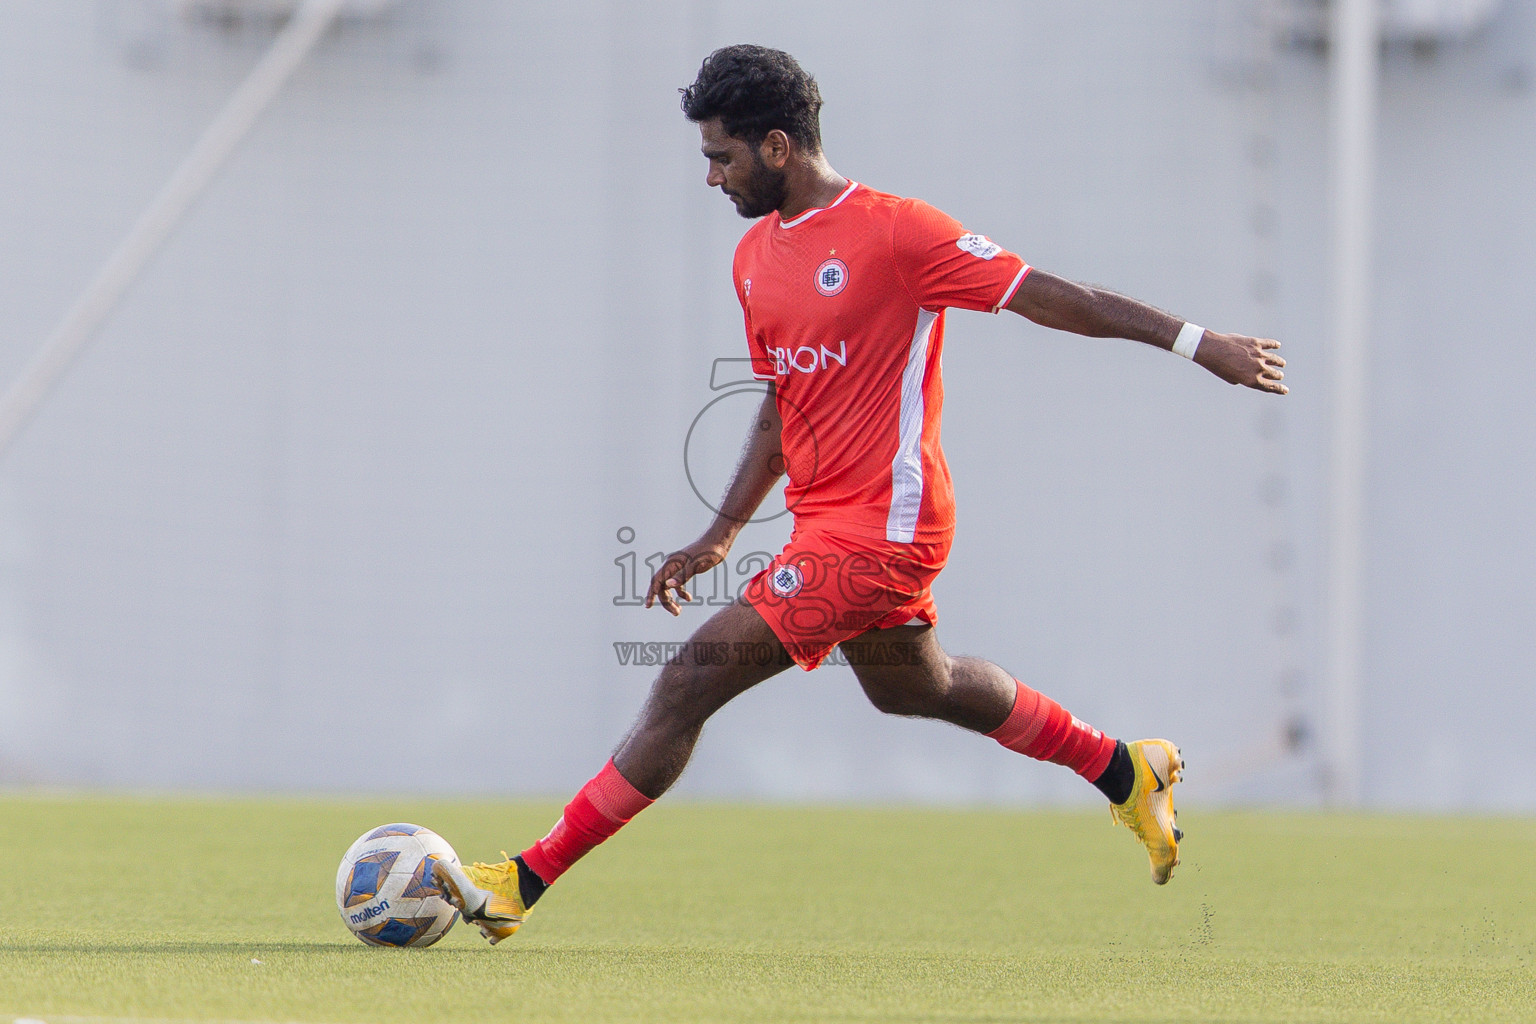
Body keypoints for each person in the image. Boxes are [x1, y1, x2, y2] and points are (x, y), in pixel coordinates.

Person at [433, 44, 1286, 944]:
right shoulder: (755, 256)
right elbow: (779, 399)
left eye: (721, 158)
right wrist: (722, 532)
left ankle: (521, 882)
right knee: (919, 687)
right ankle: (1125, 770)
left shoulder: (898, 232)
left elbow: (1047, 295)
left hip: (885, 530)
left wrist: (1198, 344)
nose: (712, 179)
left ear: (775, 147)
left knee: (688, 681)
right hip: (824, 523)